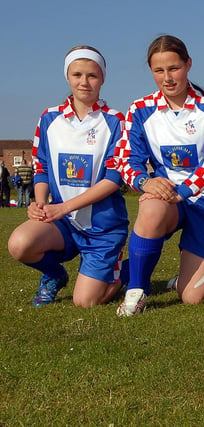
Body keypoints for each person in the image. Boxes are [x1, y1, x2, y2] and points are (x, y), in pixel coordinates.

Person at [115, 35, 204, 316]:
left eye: (174, 68)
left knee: (193, 296)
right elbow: (126, 159)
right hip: (167, 199)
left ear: (188, 64)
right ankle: (136, 289)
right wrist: (145, 182)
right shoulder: (140, 110)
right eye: (159, 71)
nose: (167, 78)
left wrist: (185, 191)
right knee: (151, 204)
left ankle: (182, 279)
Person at [7, 46, 129, 307]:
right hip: (63, 223)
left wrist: (63, 208)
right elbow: (42, 168)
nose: (84, 82)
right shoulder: (49, 118)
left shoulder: (115, 120)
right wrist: (40, 203)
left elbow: (114, 177)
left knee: (85, 302)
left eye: (92, 75)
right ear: (67, 77)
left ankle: (123, 272)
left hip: (102, 227)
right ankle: (54, 274)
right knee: (20, 243)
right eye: (77, 74)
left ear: (103, 78)